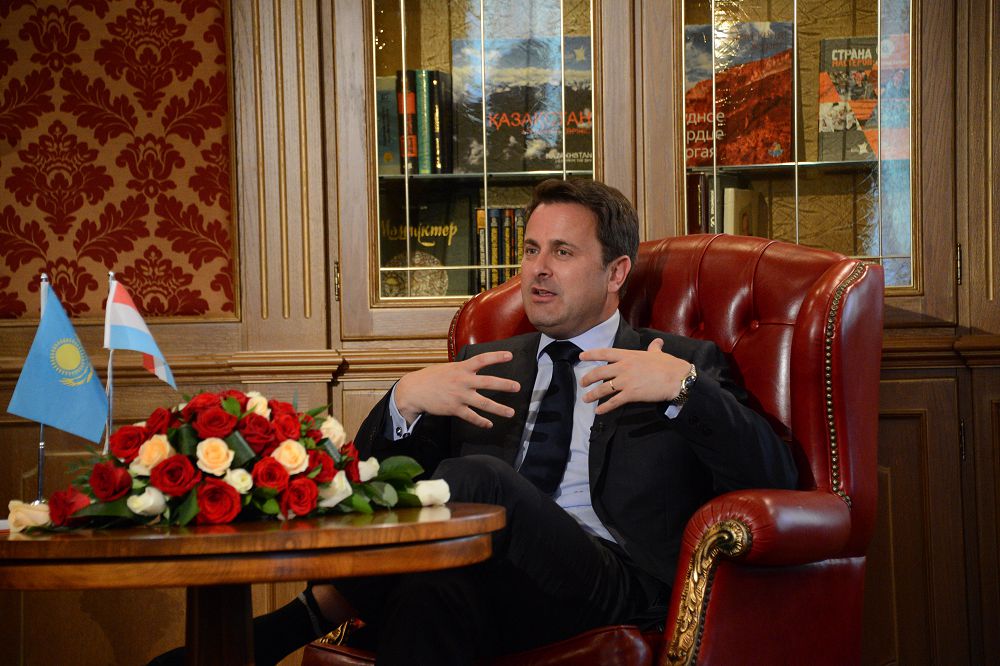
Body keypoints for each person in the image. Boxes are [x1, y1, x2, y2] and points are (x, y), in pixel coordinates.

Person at [154, 179, 797, 665]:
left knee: (475, 481)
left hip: (612, 582)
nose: (538, 268)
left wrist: (684, 391)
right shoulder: (485, 364)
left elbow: (775, 477)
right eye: (531, 249)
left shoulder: (676, 362)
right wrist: (405, 400)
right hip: (490, 581)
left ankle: (306, 616)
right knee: (431, 590)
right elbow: (374, 486)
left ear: (616, 273)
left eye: (563, 252)